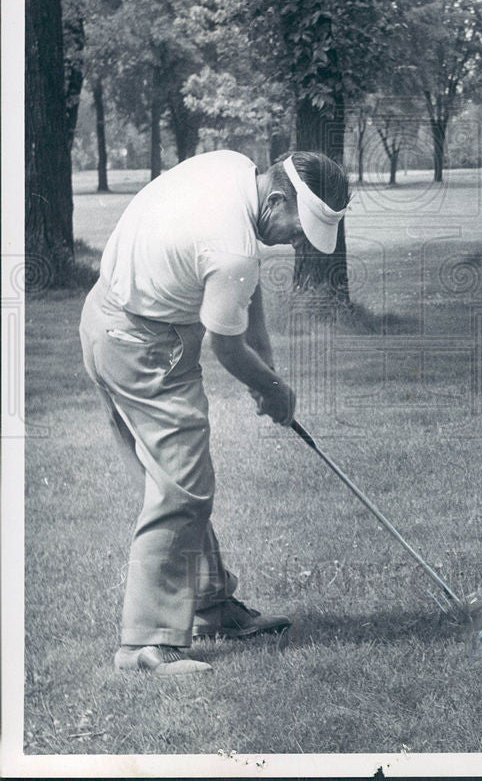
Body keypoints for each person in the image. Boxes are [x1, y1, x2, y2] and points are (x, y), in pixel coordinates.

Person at [79, 149, 350, 675]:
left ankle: (211, 606)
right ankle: (143, 647)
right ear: (276, 199)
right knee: (181, 489)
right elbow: (227, 348)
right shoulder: (233, 250)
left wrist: (269, 375)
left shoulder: (231, 167)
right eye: (298, 229)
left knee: (181, 483)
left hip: (106, 320)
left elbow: (244, 305)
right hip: (142, 344)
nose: (298, 243)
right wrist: (273, 391)